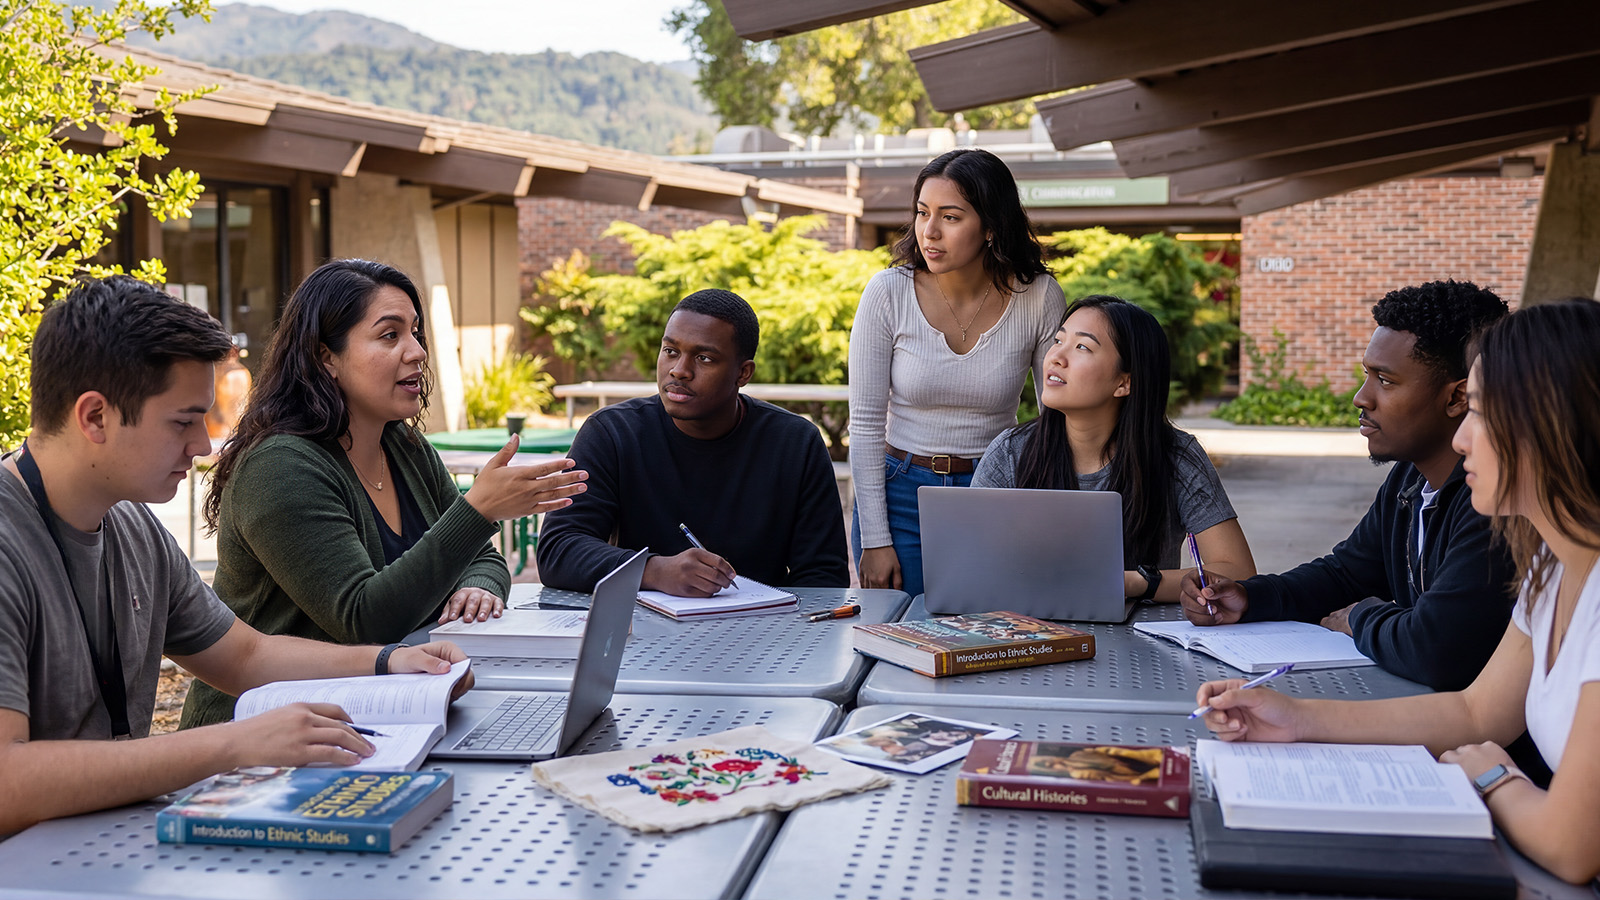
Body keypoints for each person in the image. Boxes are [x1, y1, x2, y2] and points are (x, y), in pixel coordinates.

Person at [0, 276, 468, 836]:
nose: (202, 444)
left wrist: (387, 662)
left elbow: (243, 656)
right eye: (182, 420)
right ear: (95, 416)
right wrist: (235, 743)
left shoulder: (130, 526)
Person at [1195, 299, 1600, 884]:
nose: (1462, 442)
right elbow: (1475, 711)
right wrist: (1294, 718)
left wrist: (1494, 778)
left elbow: (1570, 845)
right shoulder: (1553, 569)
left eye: (1482, 414)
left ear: (1553, 427)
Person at [181, 259, 585, 728]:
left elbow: (481, 557)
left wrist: (478, 587)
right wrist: (478, 510)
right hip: (256, 736)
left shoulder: (403, 445)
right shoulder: (280, 466)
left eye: (415, 333)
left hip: (381, 712)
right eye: (390, 336)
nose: (416, 352)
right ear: (324, 357)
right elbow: (364, 620)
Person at [1180, 280, 1514, 691]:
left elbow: (1437, 647)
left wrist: (1359, 617)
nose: (1362, 397)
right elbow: (1347, 574)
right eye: (1366, 375)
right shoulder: (1411, 479)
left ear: (1456, 397)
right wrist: (1250, 598)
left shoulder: (1496, 500)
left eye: (1386, 381)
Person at [850, 148, 1066, 596]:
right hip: (899, 496)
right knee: (898, 641)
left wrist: (1047, 515)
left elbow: (1058, 418)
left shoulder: (1039, 297)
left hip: (996, 490)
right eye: (922, 212)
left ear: (990, 226)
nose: (929, 232)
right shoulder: (887, 292)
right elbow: (866, 423)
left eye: (950, 217)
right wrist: (875, 538)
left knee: (989, 638)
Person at [536, 289, 849, 595]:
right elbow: (559, 549)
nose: (679, 370)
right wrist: (654, 570)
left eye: (704, 358)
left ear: (743, 373)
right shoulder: (612, 433)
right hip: (640, 629)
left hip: (761, 630)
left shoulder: (795, 443)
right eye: (671, 351)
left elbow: (823, 576)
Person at [973, 295, 1255, 600]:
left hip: (1143, 633)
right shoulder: (1011, 452)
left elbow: (1238, 571)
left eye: (1082, 347)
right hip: (1030, 630)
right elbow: (968, 563)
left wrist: (1134, 583)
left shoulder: (1175, 457)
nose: (1056, 357)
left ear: (1124, 382)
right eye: (1058, 340)